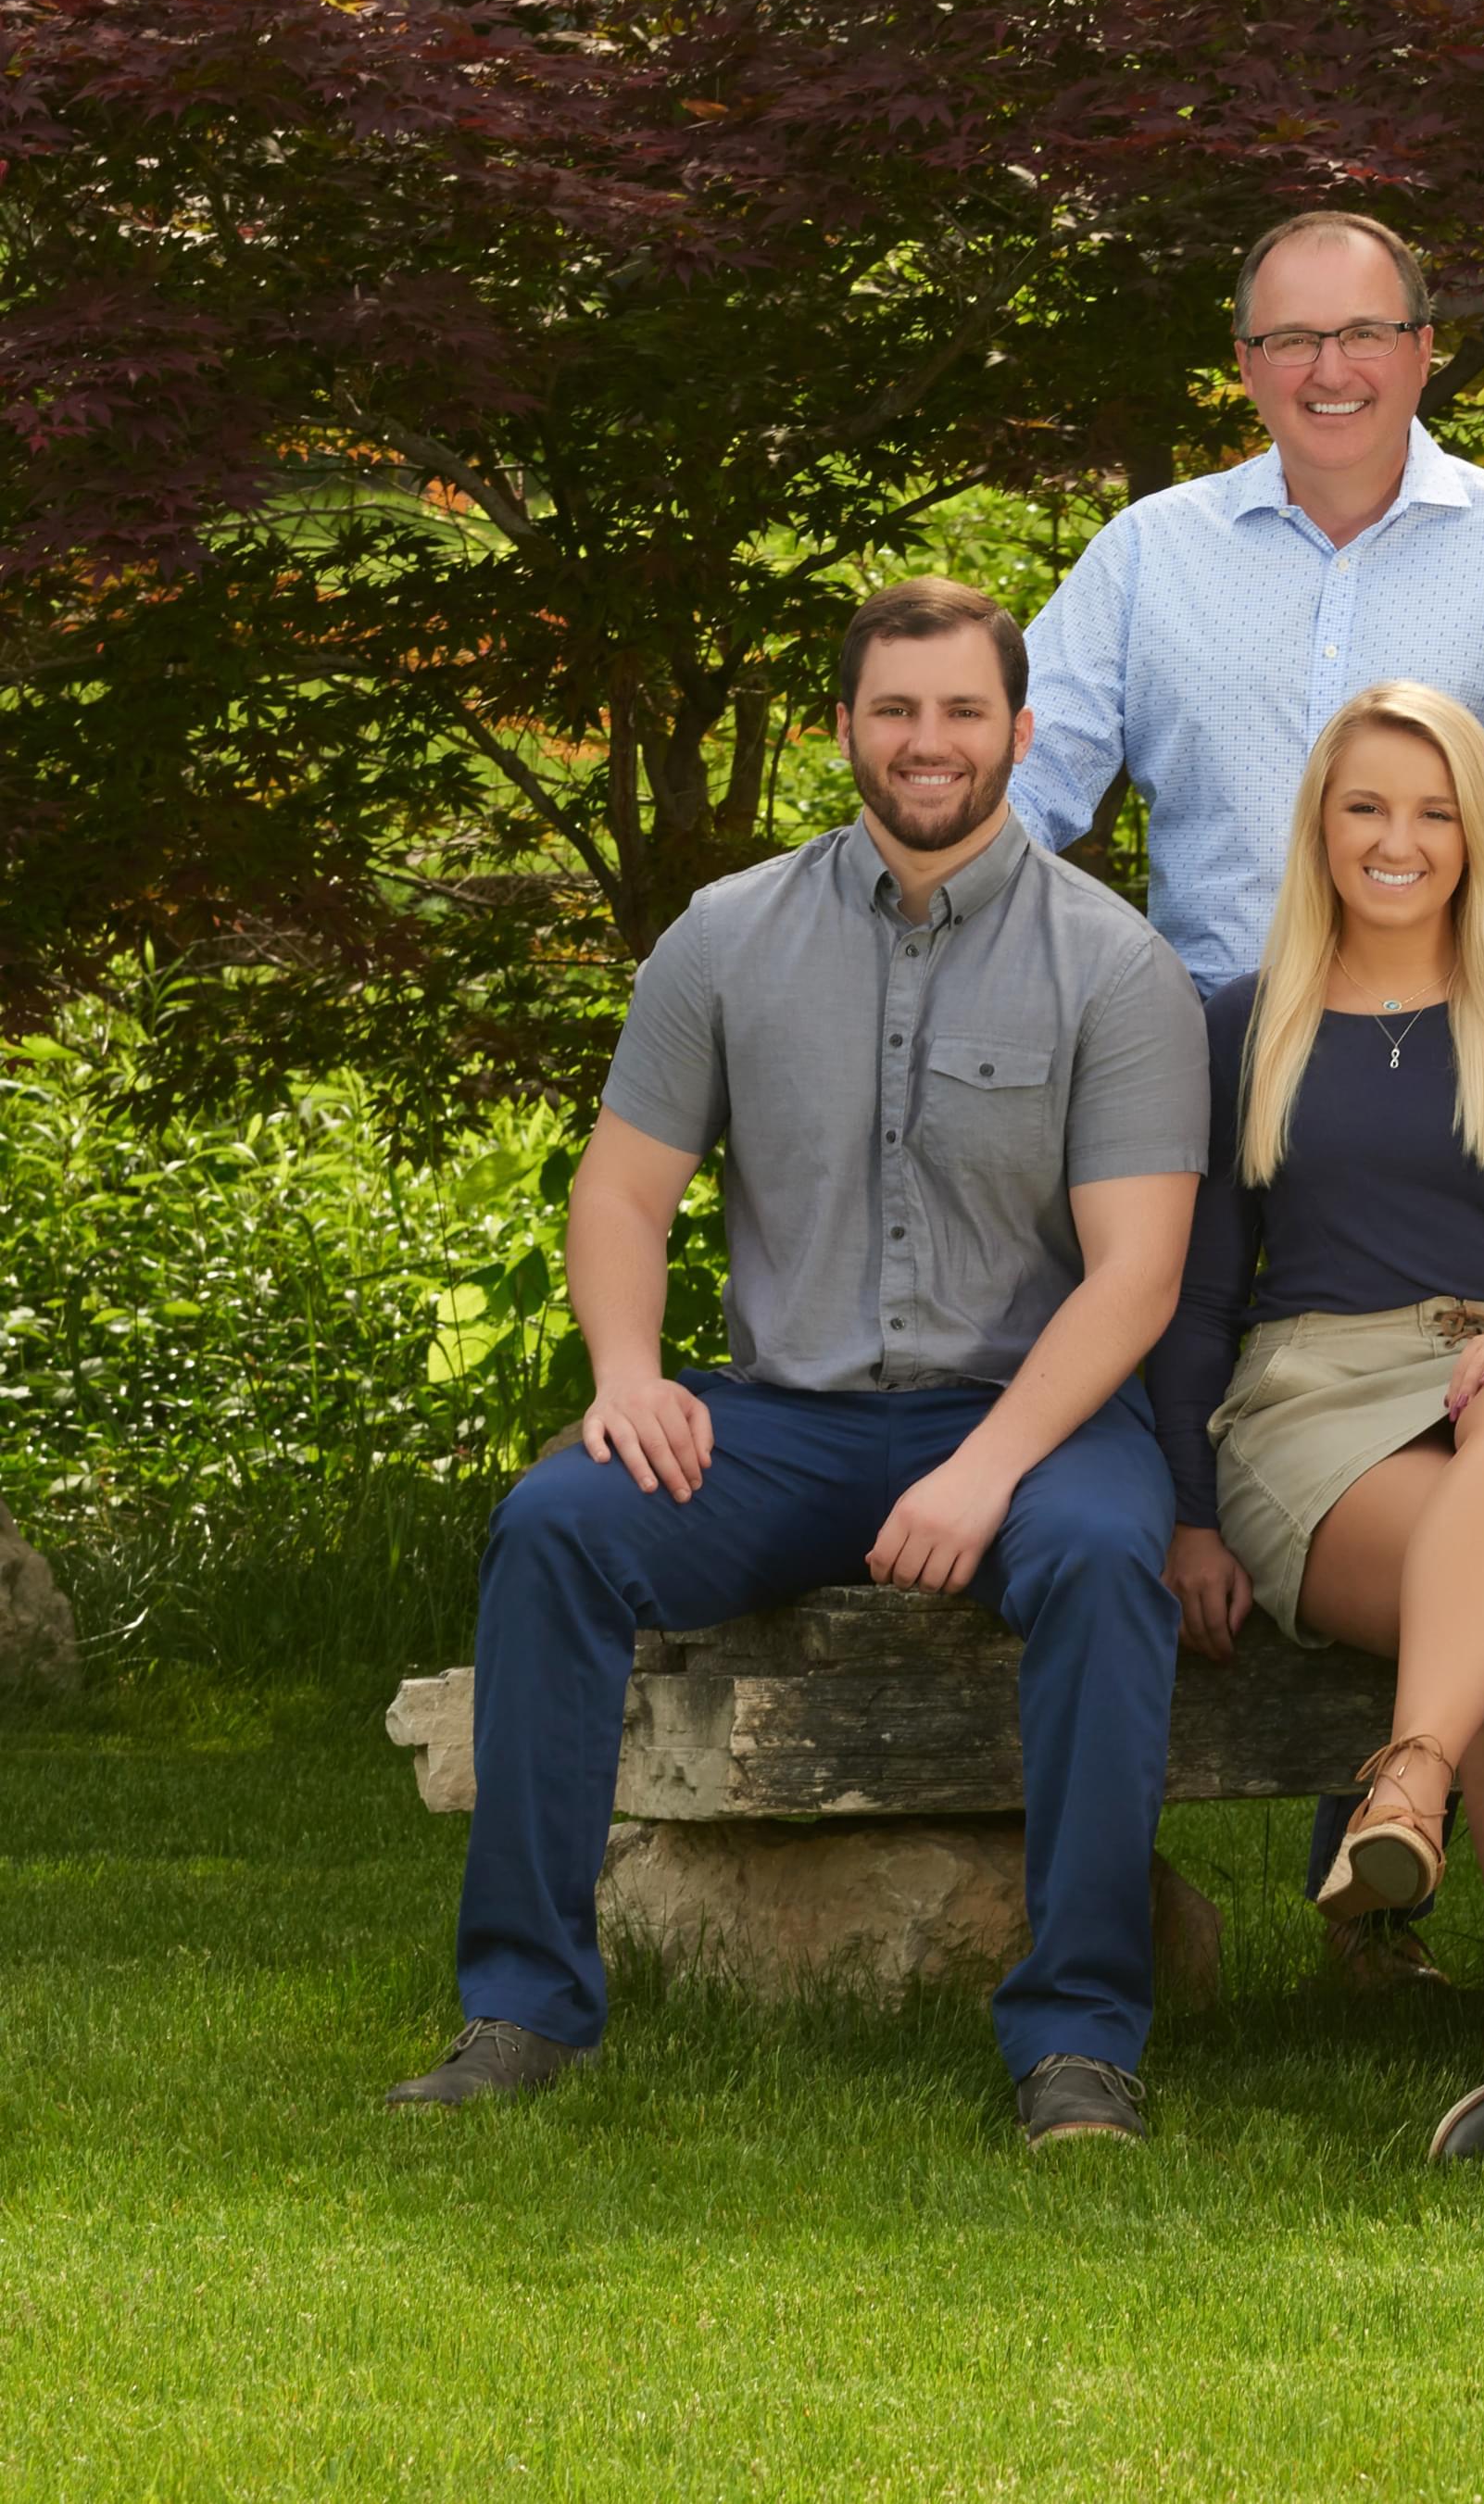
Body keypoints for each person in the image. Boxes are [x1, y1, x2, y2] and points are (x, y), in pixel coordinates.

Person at [384, 576, 1211, 2148]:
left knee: (1111, 1563)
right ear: (842, 727)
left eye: (962, 709)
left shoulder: (1116, 965)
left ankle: (1078, 2039)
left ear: (1021, 730)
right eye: (895, 708)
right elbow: (621, 1195)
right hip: (780, 1420)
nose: (927, 739)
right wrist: (628, 1372)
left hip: (1028, 1418)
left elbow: (1139, 1273)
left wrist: (986, 1470)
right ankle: (523, 2008)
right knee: (557, 1525)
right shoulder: (726, 936)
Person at [1148, 683, 1484, 2156]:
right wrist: (1189, 1508)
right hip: (1318, 1399)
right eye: (1367, 806)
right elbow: (1199, 1299)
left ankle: (1412, 1774)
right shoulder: (1246, 1024)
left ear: (1478, 833)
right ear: (1320, 824)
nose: (1399, 839)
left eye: (1436, 812)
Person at [1011, 208, 1484, 1000]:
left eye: (1365, 334)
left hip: (1467, 1041)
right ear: (1247, 364)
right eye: (1292, 340)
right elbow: (1020, 776)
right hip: (1211, 1047)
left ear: (1421, 351)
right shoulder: (1149, 552)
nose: (1331, 372)